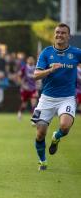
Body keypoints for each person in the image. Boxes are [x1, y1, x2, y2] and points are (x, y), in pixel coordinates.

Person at [31, 23, 81, 171]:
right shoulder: (46, 53)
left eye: (63, 33)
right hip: (47, 98)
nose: (59, 35)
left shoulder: (76, 52)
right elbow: (35, 75)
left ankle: (57, 136)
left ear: (68, 36)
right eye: (57, 32)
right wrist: (50, 70)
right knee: (40, 133)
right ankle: (43, 161)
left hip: (67, 98)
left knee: (65, 126)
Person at [17, 56, 38, 120]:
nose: (31, 61)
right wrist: (22, 85)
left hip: (33, 88)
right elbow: (19, 76)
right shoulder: (24, 68)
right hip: (25, 88)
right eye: (29, 60)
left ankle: (33, 118)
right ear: (27, 61)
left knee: (33, 103)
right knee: (24, 104)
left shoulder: (36, 68)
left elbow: (38, 78)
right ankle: (20, 112)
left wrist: (37, 86)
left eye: (32, 60)